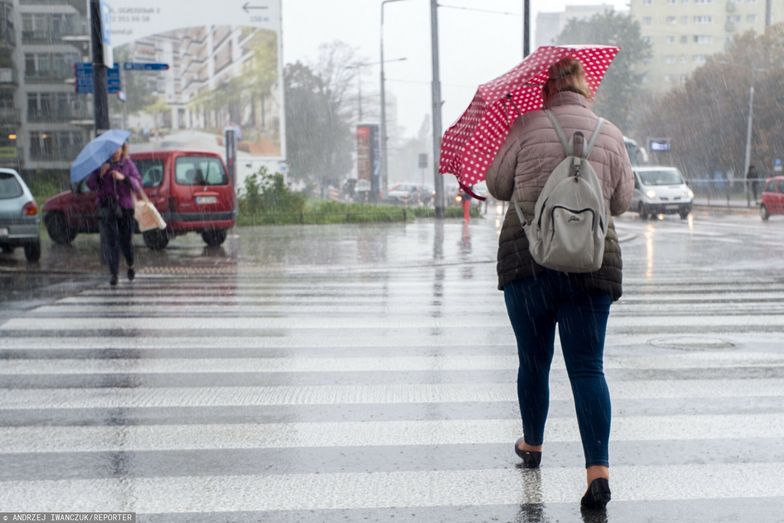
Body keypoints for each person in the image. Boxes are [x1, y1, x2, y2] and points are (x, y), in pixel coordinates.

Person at [486, 57, 633, 510]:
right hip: (591, 265)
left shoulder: (525, 125)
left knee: (533, 361)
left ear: (546, 88)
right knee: (588, 368)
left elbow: (497, 185)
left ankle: (532, 445)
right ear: (585, 87)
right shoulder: (609, 132)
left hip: (529, 263)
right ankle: (598, 471)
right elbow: (623, 202)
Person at [86, 142, 148, 286]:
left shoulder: (127, 164)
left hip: (125, 208)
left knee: (125, 241)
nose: (115, 151)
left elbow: (138, 184)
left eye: (118, 148)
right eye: (112, 149)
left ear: (122, 149)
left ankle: (130, 264)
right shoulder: (102, 164)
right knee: (111, 242)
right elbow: (90, 185)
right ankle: (114, 274)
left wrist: (123, 178)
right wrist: (100, 174)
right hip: (107, 208)